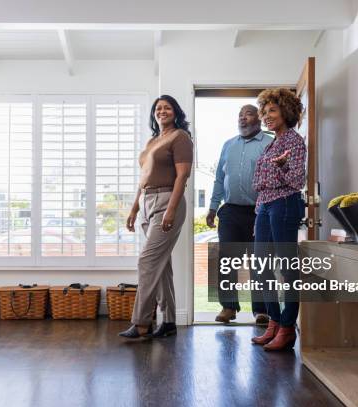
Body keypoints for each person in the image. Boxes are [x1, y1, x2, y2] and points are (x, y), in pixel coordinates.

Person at [119, 95, 193, 339]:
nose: (162, 111)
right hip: (147, 202)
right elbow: (144, 177)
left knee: (147, 262)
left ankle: (141, 323)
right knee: (160, 265)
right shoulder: (153, 140)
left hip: (166, 200)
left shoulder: (180, 137)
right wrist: (134, 208)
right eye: (158, 108)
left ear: (176, 112)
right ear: (154, 114)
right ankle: (169, 321)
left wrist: (171, 210)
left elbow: (182, 176)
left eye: (167, 107)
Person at [250, 88, 306, 351]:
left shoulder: (293, 141)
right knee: (261, 267)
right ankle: (273, 322)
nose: (266, 116)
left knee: (286, 268)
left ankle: (286, 328)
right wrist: (259, 207)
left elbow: (296, 181)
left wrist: (283, 166)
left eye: (272, 110)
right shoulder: (272, 143)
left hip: (284, 203)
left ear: (287, 111)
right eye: (264, 112)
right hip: (265, 205)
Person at [207, 105, 272, 325]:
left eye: (248, 113)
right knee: (227, 260)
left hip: (259, 211)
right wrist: (213, 207)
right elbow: (219, 179)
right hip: (231, 211)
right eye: (240, 115)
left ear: (259, 119)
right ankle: (228, 307)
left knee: (260, 263)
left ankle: (261, 310)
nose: (243, 118)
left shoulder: (269, 143)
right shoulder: (228, 145)